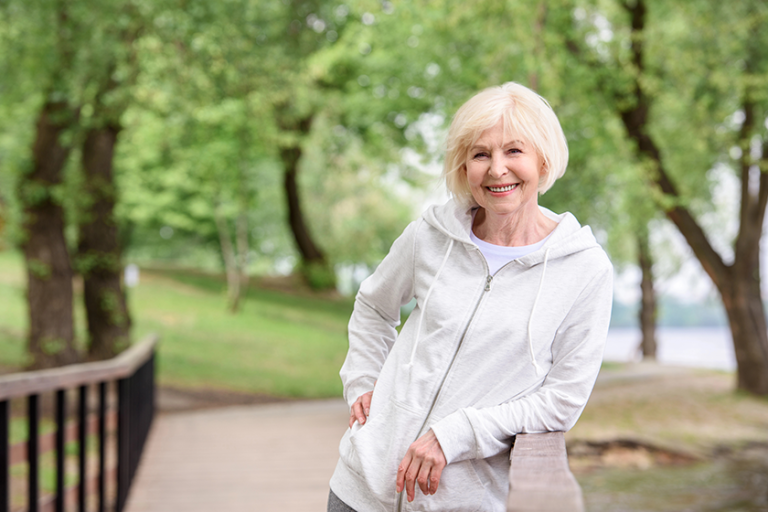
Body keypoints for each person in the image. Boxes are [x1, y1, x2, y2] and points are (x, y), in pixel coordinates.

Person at [328, 82, 613, 512]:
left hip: (459, 503)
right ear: (464, 167)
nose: (497, 169)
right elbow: (373, 306)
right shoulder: (431, 235)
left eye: (514, 151)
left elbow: (562, 400)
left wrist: (456, 433)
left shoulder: (584, 269)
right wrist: (363, 379)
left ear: (543, 159)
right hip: (358, 491)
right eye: (481, 154)